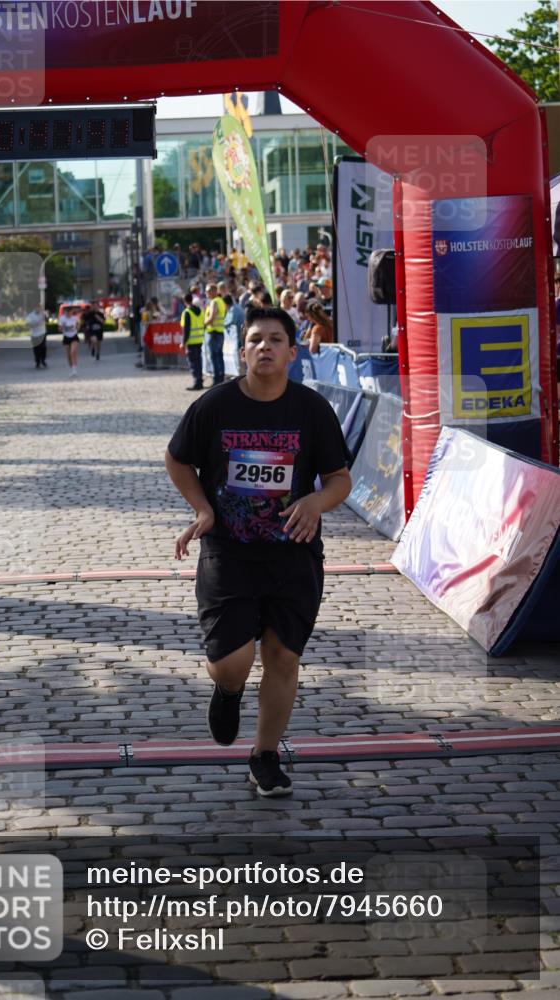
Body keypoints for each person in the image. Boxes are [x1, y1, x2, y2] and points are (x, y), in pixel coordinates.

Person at [165, 306, 351, 797]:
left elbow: (339, 478)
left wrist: (316, 501)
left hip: (294, 554)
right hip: (229, 552)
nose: (264, 346)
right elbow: (177, 460)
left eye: (275, 339)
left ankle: (265, 756)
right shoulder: (214, 406)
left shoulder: (312, 410)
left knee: (283, 657)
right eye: (255, 339)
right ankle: (228, 690)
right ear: (242, 351)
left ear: (293, 352)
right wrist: (202, 508)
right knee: (232, 663)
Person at [181, 291, 204, 391]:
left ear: (184, 301)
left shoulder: (187, 312)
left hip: (191, 341)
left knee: (193, 363)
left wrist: (183, 342)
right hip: (199, 340)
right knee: (199, 362)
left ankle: (197, 383)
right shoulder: (200, 310)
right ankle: (200, 381)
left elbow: (186, 329)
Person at [204, 283, 227, 385]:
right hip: (220, 331)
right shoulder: (221, 301)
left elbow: (212, 317)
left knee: (214, 357)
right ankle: (221, 379)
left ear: (214, 291)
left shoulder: (214, 302)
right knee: (219, 356)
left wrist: (204, 323)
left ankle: (216, 380)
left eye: (208, 291)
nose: (206, 293)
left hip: (213, 332)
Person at [59, 306, 80, 376]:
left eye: (69, 312)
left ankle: (74, 369)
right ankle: (71, 368)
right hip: (66, 337)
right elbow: (59, 329)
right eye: (66, 312)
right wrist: (63, 327)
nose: (68, 313)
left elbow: (78, 327)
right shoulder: (62, 318)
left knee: (73, 352)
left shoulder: (75, 318)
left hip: (74, 336)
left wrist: (77, 327)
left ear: (72, 312)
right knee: (68, 355)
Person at [26, 303, 48, 369]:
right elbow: (28, 325)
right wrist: (36, 324)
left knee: (43, 348)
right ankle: (37, 361)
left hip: (42, 333)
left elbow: (47, 320)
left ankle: (43, 360)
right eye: (38, 308)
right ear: (35, 308)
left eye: (40, 308)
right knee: (36, 349)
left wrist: (45, 316)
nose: (39, 309)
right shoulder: (30, 315)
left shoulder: (43, 314)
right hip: (34, 334)